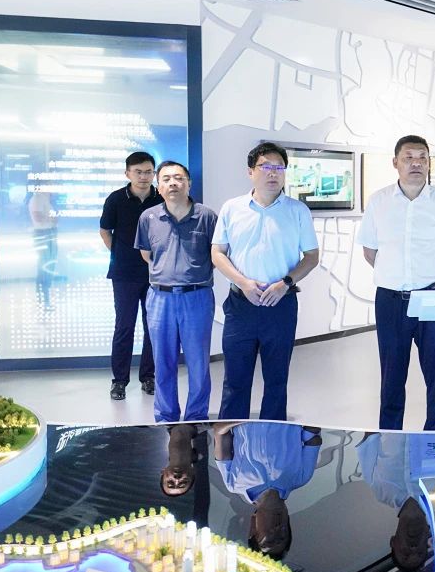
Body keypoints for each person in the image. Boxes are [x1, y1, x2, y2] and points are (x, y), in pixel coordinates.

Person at [359, 135, 435, 430]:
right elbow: (370, 251)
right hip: (391, 300)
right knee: (391, 375)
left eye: (422, 158)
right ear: (395, 162)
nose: (416, 163)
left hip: (434, 298)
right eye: (408, 158)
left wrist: (428, 278)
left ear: (429, 163)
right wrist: (397, 276)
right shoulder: (379, 201)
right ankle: (390, 435)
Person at [212, 142, 320, 421]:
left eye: (279, 168)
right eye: (266, 167)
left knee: (276, 380)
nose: (273, 173)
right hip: (241, 305)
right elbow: (218, 252)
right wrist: (243, 283)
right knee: (235, 380)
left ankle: (273, 438)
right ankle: (230, 438)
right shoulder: (232, 208)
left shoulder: (297, 211)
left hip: (280, 305)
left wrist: (285, 283)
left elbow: (311, 257)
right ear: (250, 172)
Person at [136, 161, 218, 423]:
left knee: (198, 363)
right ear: (158, 186)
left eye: (179, 178)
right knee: (163, 362)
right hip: (160, 298)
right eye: (166, 179)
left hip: (197, 297)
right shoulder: (148, 217)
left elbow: (216, 255)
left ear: (189, 183)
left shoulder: (207, 216)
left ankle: (196, 417)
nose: (173, 183)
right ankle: (166, 416)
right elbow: (146, 254)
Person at [99, 151, 162, 401]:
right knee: (124, 326)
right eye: (138, 172)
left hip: (156, 274)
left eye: (148, 172)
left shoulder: (161, 198)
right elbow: (105, 231)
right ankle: (119, 381)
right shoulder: (116, 199)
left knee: (152, 327)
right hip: (124, 274)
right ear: (127, 173)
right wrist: (120, 254)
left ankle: (148, 376)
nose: (144, 176)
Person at [213, 421, 322, 560]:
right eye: (282, 537)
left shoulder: (233, 483)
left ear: (253, 530)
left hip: (246, 410)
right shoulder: (301, 477)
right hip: (289, 409)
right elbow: (313, 434)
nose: (277, 529)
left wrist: (248, 418)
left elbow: (219, 431)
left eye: (269, 540)